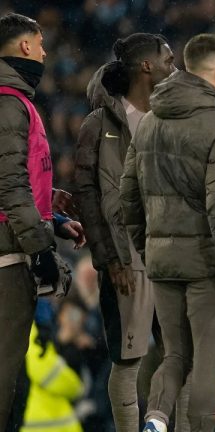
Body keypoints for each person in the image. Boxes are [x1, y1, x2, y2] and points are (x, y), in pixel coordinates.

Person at [120, 33, 215, 432]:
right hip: (209, 265)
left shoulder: (150, 122)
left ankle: (155, 418)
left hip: (163, 262)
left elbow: (127, 195)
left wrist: (148, 249)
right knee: (208, 366)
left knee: (174, 357)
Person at [74, 33, 177, 432]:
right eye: (168, 59)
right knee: (128, 360)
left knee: (177, 354)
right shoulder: (99, 124)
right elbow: (89, 194)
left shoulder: (170, 119)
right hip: (126, 261)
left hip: (170, 257)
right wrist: (109, 258)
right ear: (145, 67)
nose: (175, 66)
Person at [0, 12, 85, 427]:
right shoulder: (9, 104)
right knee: (4, 385)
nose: (46, 52)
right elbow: (9, 185)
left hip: (13, 244)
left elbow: (16, 181)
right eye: (41, 42)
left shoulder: (16, 103)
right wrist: (41, 250)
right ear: (26, 47)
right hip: (7, 257)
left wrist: (49, 214)